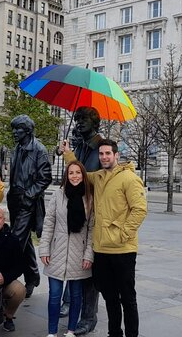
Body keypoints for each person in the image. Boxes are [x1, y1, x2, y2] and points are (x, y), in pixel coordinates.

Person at [60, 138, 147, 337]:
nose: (104, 157)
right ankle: (114, 333)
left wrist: (123, 234)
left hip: (122, 249)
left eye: (108, 153)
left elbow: (140, 210)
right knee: (109, 297)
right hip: (101, 249)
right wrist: (67, 153)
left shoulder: (129, 179)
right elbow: (79, 174)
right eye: (101, 154)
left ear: (116, 155)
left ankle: (132, 334)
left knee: (127, 298)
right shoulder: (98, 177)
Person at [56, 107, 104, 335]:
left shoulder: (100, 147)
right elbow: (75, 178)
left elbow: (88, 178)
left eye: (83, 119)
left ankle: (89, 316)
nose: (78, 123)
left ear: (95, 122)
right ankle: (73, 306)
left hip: (93, 214)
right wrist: (68, 154)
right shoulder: (82, 145)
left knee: (89, 270)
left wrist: (70, 158)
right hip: (78, 213)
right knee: (77, 265)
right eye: (77, 119)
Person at [39, 161, 94, 337]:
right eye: (71, 173)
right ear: (66, 175)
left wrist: (89, 255)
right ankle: (52, 332)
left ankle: (71, 331)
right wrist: (44, 249)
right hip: (57, 252)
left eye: (78, 172)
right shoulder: (58, 195)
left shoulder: (90, 198)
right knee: (54, 296)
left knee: (76, 296)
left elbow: (92, 229)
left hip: (79, 254)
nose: (75, 176)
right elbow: (49, 223)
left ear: (83, 175)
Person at [7, 114, 52, 299]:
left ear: (27, 130)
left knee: (16, 241)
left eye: (18, 129)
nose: (14, 132)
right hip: (15, 199)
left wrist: (29, 195)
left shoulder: (39, 150)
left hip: (28, 201)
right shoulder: (17, 148)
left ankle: (8, 277)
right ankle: (32, 277)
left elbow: (45, 177)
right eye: (14, 128)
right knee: (25, 243)